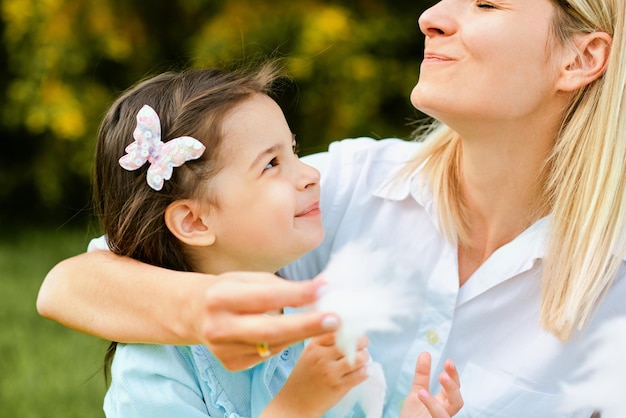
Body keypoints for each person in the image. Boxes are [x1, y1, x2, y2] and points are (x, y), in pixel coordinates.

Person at [37, 0, 626, 416]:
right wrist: (201, 308)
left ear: (580, 58)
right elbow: (72, 284)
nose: (431, 16)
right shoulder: (355, 182)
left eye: (487, 4)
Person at [61, 62, 463, 417]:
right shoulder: (154, 371)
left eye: (294, 150)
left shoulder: (308, 332)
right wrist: (297, 406)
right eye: (272, 164)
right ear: (194, 222)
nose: (310, 174)